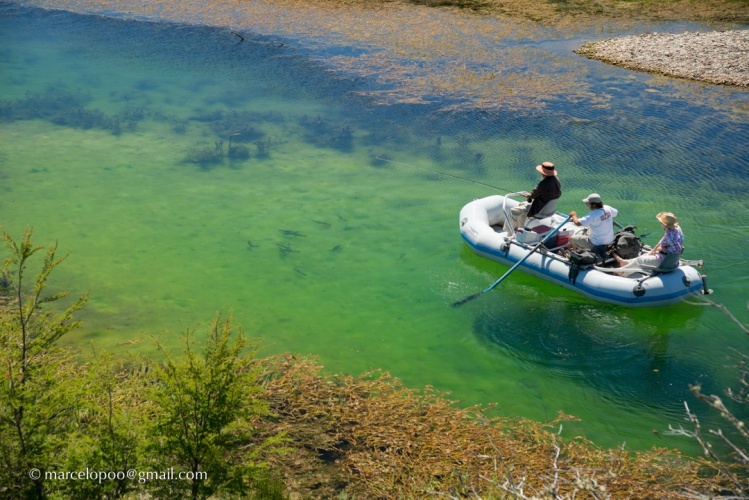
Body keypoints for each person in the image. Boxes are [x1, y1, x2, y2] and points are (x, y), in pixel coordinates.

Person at [614, 212, 684, 276]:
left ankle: (623, 272)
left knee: (640, 261)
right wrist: (653, 251)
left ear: (665, 225)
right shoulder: (678, 229)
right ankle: (625, 262)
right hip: (663, 256)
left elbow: (676, 249)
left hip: (663, 261)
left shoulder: (669, 236)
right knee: (644, 256)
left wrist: (664, 249)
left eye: (661, 223)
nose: (661, 224)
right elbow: (662, 241)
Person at [503, 161, 561, 233]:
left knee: (513, 211)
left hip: (539, 210)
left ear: (543, 173)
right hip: (548, 209)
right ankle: (520, 229)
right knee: (521, 204)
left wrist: (529, 195)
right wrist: (532, 195)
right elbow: (541, 193)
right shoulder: (556, 180)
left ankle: (508, 232)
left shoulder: (544, 183)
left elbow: (534, 193)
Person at [568, 193, 619, 258]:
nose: (587, 205)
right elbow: (617, 213)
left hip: (595, 243)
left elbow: (577, 223)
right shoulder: (607, 208)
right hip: (609, 241)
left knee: (571, 238)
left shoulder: (593, 215)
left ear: (594, 205)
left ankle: (575, 255)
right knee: (590, 227)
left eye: (588, 204)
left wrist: (574, 215)